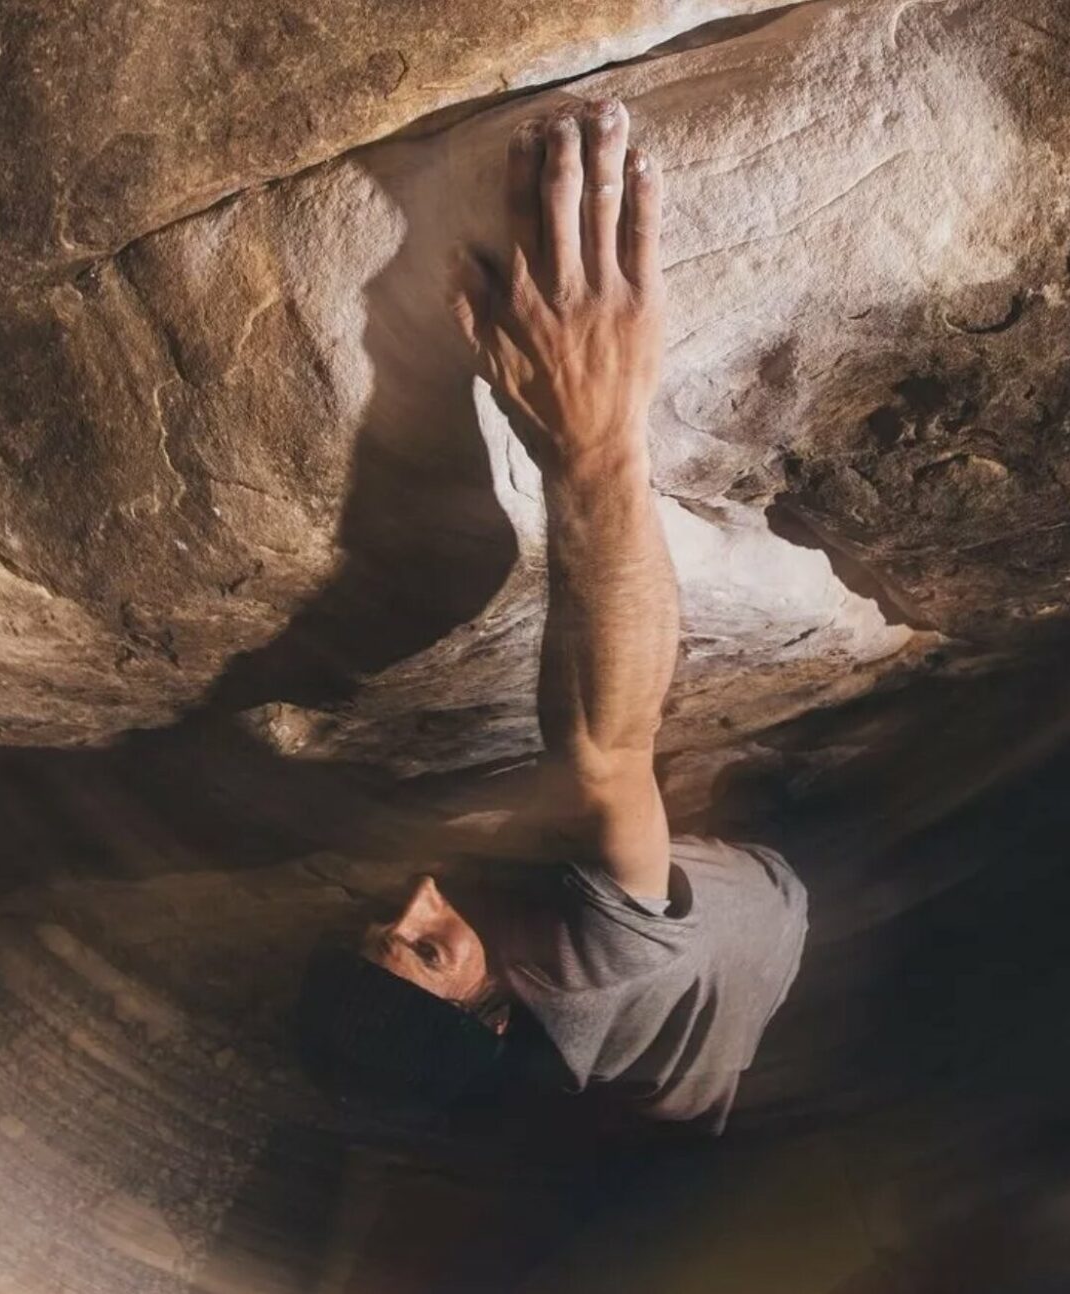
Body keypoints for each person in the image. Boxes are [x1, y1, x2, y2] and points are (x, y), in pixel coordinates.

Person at [298, 98, 808, 1134]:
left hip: (696, 1049)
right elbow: (604, 749)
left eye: (381, 922)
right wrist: (595, 437)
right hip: (790, 911)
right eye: (429, 943)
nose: (418, 895)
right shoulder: (594, 960)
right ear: (489, 1014)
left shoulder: (551, 1008)